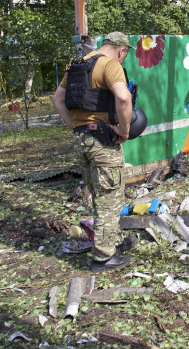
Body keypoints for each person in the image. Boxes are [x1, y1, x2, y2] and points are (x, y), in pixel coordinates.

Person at [52, 32, 138, 273]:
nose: (123, 59)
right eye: (125, 55)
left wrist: (76, 126)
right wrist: (124, 129)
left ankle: (114, 241)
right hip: (102, 141)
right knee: (109, 197)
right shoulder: (110, 65)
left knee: (100, 193)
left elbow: (57, 100)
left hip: (82, 140)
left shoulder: (78, 64)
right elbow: (123, 97)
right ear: (122, 51)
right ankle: (103, 257)